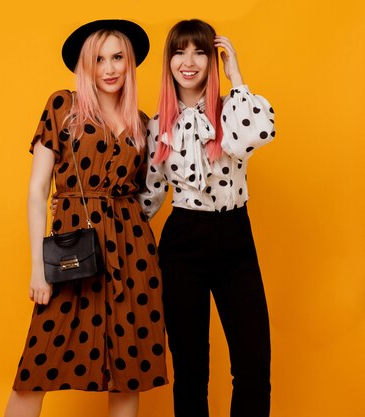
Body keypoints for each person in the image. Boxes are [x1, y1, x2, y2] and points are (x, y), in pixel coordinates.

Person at [4, 20, 167, 417]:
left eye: (118, 58)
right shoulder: (63, 106)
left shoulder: (142, 123)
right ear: (86, 66)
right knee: (37, 367)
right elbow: (37, 191)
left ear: (129, 65)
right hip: (74, 251)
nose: (110, 68)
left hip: (133, 255)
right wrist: (37, 270)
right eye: (99, 59)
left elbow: (152, 190)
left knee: (131, 369)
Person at [137, 19, 275, 417]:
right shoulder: (157, 126)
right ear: (169, 61)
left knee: (252, 365)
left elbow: (259, 133)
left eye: (200, 51)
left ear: (212, 60)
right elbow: (149, 197)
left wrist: (236, 75)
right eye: (180, 51)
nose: (189, 61)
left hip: (235, 239)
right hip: (183, 243)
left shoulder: (232, 109)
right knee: (191, 373)